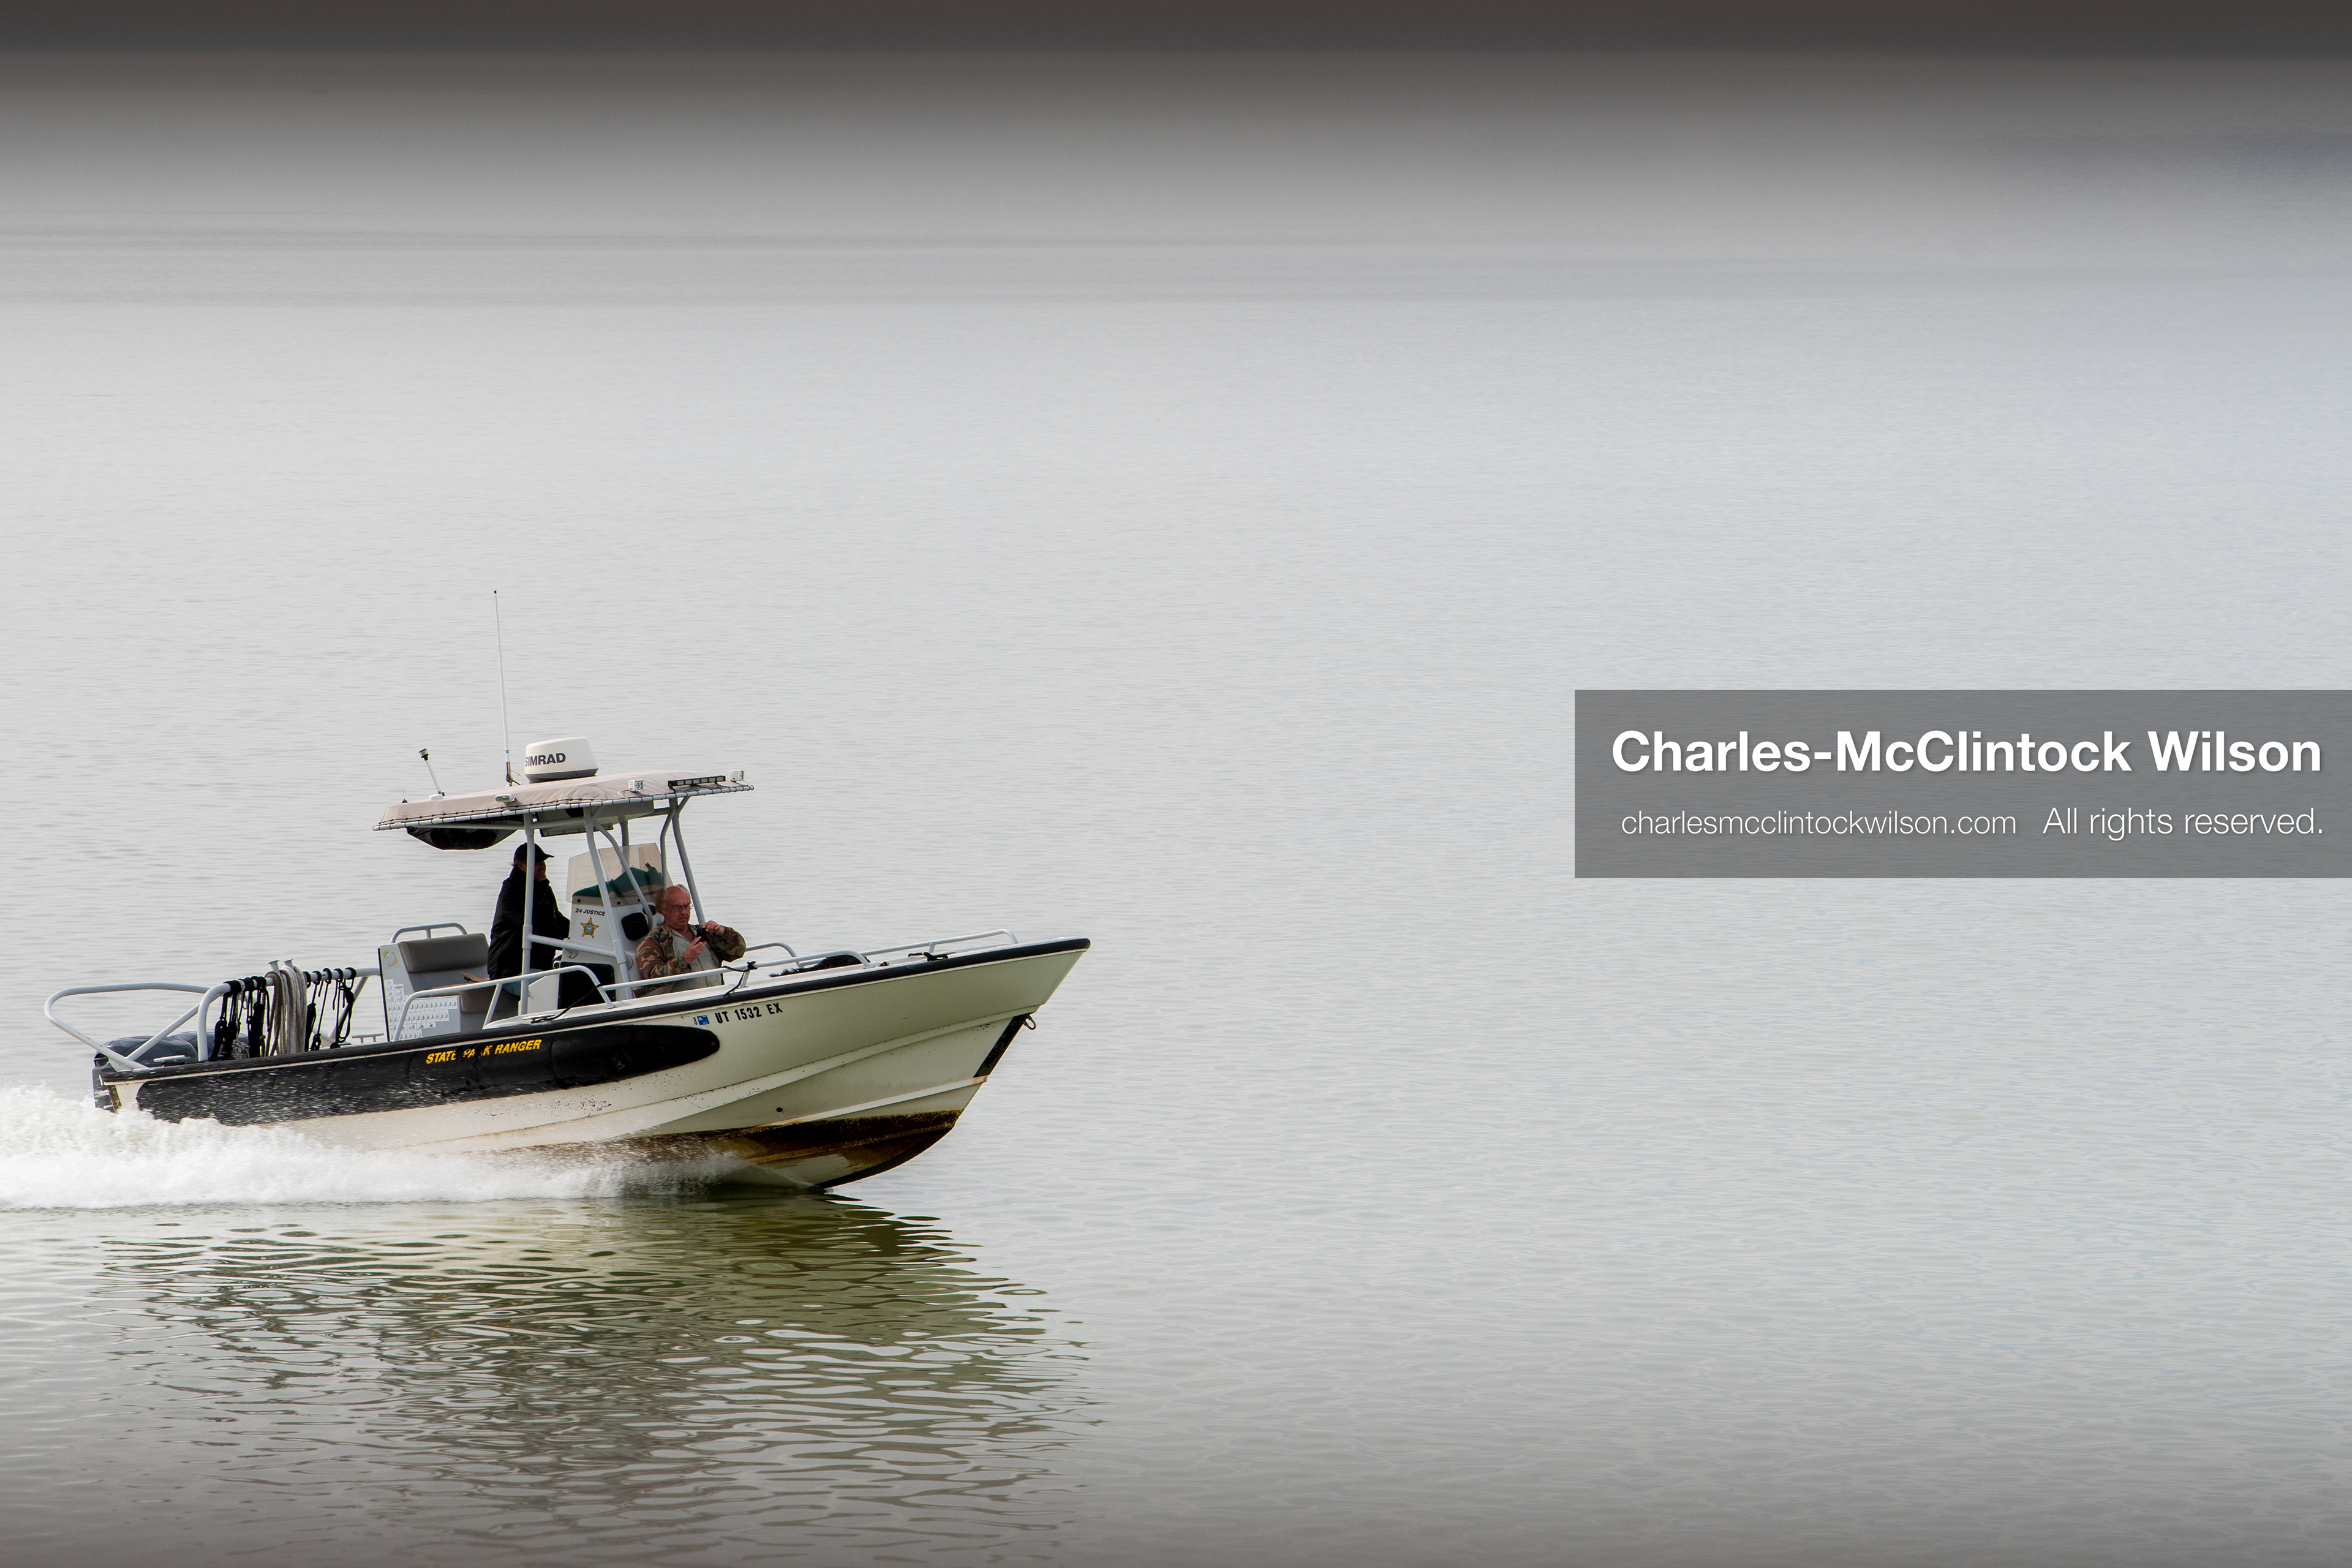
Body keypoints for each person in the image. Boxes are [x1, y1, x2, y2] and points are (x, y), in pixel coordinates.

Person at [488, 843, 603, 1016]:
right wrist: (568, 941)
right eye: (537, 862)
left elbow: (558, 920)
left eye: (543, 861)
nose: (542, 865)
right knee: (564, 983)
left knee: (585, 971)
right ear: (522, 866)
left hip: (540, 966)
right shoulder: (511, 893)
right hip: (511, 971)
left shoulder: (543, 890)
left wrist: (586, 936)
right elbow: (535, 927)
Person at [633, 884, 746, 997]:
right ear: (664, 909)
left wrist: (722, 932)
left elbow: (739, 951)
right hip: (682, 1006)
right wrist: (685, 959)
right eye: (678, 908)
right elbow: (652, 977)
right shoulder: (654, 941)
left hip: (716, 999)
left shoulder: (703, 932)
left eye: (687, 906)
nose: (684, 912)